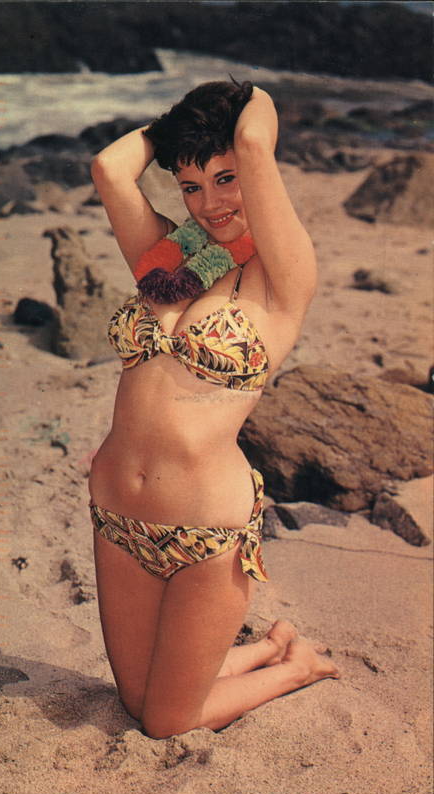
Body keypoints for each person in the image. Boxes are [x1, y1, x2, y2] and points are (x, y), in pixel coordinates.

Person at [88, 79, 340, 740]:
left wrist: (246, 91)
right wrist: (176, 133)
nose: (211, 203)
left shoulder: (284, 279)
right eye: (192, 186)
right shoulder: (170, 262)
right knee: (137, 701)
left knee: (166, 722)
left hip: (207, 531)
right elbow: (110, 169)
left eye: (226, 179)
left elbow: (256, 138)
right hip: (117, 513)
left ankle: (298, 666)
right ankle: (263, 648)